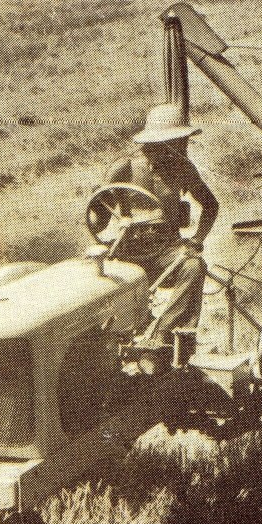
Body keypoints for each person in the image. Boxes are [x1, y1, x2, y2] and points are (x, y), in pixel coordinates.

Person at [106, 103, 219, 347]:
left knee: (194, 266)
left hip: (167, 252)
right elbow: (97, 211)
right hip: (128, 253)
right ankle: (108, 342)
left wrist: (196, 240)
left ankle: (166, 335)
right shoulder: (123, 169)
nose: (179, 147)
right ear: (152, 142)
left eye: (180, 141)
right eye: (173, 141)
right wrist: (105, 235)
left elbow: (211, 206)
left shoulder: (182, 169)